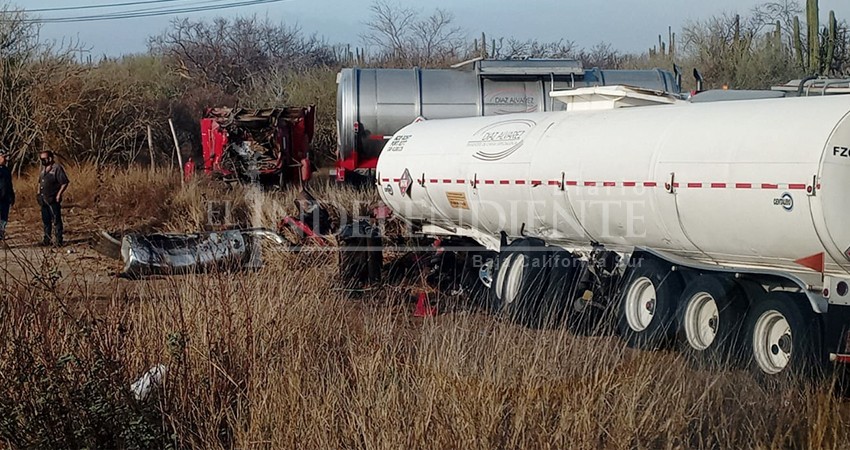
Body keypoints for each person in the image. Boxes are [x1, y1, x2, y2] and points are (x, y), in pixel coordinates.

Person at [37, 150, 70, 246]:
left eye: (44, 158)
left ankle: (58, 240)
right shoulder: (43, 170)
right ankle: (46, 239)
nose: (42, 161)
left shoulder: (57, 168)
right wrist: (38, 193)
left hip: (53, 198)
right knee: (46, 220)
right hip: (43, 199)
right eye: (41, 159)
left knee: (56, 220)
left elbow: (64, 182)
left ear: (50, 158)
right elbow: (39, 182)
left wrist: (59, 194)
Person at [0, 150, 14, 240]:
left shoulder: (6, 170)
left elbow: (9, 184)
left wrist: (12, 195)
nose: (5, 159)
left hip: (5, 198)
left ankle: (1, 234)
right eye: (3, 157)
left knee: (4, 218)